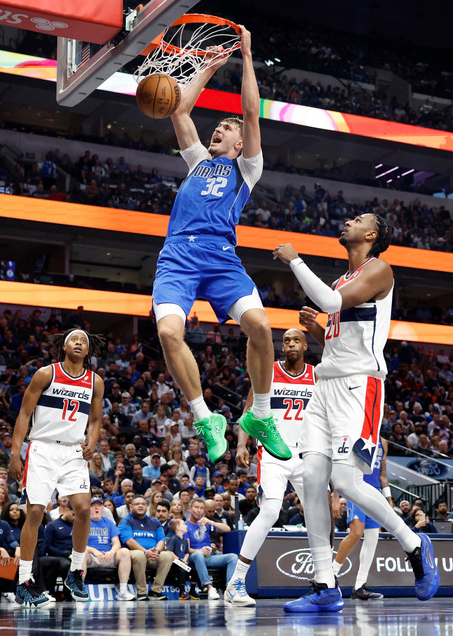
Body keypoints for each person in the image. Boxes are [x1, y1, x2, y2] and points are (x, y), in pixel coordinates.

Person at [274, 213, 439, 613]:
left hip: (359, 387)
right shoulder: (338, 281)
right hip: (325, 385)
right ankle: (325, 584)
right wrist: (317, 329)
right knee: (312, 479)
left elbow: (330, 304)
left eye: (357, 219)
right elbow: (336, 342)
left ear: (372, 234)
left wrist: (296, 260)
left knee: (345, 482)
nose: (346, 221)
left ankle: (414, 543)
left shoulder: (380, 270)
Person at [152, 25, 290, 465]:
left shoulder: (247, 168)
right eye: (220, 126)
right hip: (178, 254)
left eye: (227, 128)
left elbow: (251, 114)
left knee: (263, 328)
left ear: (238, 142)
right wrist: (208, 68)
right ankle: (205, 417)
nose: (221, 129)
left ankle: (260, 417)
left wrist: (246, 56)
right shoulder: (196, 161)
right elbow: (179, 110)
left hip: (221, 256)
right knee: (169, 332)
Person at [10, 328, 106, 607]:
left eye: (84, 341)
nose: (78, 343)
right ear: (64, 347)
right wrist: (16, 454)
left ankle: (76, 572)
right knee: (36, 512)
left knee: (85, 509)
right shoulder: (45, 374)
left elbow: (97, 420)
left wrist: (93, 441)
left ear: (88, 351)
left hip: (74, 450)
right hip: (42, 447)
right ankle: (24, 581)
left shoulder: (95, 382)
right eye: (74, 340)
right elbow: (24, 414)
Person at [224, 328, 316, 606]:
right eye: (286, 340)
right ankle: (237, 581)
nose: (290, 344)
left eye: (296, 340)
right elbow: (248, 412)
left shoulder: (317, 376)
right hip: (273, 453)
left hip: (308, 454)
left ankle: (325, 580)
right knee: (270, 511)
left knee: (319, 516)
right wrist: (242, 445)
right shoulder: (269, 372)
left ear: (305, 346)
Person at [331, 437, 390, 601]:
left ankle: (359, 586)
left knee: (373, 538)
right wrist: (336, 495)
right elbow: (340, 466)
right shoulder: (357, 432)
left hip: (375, 491)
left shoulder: (383, 442)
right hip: (355, 488)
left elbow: (382, 474)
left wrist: (388, 498)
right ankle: (331, 575)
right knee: (356, 532)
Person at [118, 495, 172, 602]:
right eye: (137, 504)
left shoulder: (155, 522)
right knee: (139, 555)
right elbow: (129, 541)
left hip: (152, 555)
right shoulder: (126, 521)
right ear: (130, 506)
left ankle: (155, 591)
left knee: (167, 556)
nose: (140, 506)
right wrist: (145, 551)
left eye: (143, 504)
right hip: (134, 555)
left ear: (147, 506)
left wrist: (157, 551)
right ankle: (141, 592)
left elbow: (161, 539)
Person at [185, 497, 236, 600]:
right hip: (193, 557)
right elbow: (187, 549)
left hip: (209, 557)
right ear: (190, 509)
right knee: (199, 555)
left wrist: (211, 522)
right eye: (196, 507)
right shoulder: (185, 525)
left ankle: (229, 589)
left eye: (201, 508)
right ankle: (210, 588)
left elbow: (227, 529)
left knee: (233, 557)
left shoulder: (205, 523)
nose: (199, 510)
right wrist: (200, 550)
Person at [84, 496, 134, 599]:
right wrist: (94, 551)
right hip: (91, 558)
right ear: (89, 508)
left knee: (124, 551)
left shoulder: (109, 523)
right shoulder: (83, 523)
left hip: (108, 556)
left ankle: (123, 591)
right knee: (80, 553)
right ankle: (80, 589)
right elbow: (79, 545)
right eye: (93, 506)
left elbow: (117, 543)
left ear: (103, 509)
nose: (96, 508)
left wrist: (111, 552)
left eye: (99, 506)